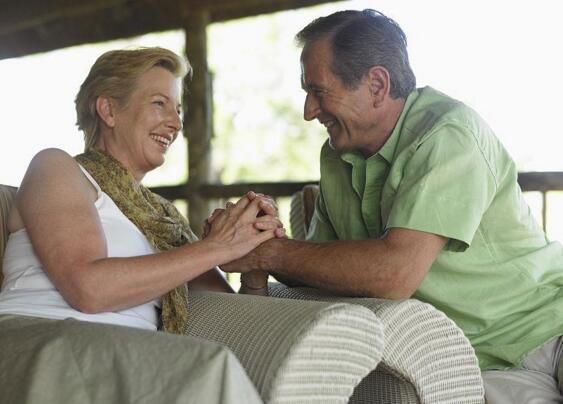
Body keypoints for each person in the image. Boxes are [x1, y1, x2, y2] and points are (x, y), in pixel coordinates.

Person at [220, 9, 563, 403]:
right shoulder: (336, 156)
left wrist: (272, 253)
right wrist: (260, 236)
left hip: (550, 328)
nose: (308, 111)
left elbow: (394, 274)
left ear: (377, 85)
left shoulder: (446, 134)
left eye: (319, 91)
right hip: (474, 361)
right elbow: (316, 271)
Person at [0, 46, 285, 403]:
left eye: (177, 109)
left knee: (210, 363)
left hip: (124, 353)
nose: (177, 123)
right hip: (40, 340)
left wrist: (252, 261)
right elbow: (88, 288)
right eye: (159, 103)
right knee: (208, 368)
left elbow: (228, 319)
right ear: (108, 110)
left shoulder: (164, 220)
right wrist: (215, 246)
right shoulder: (57, 168)